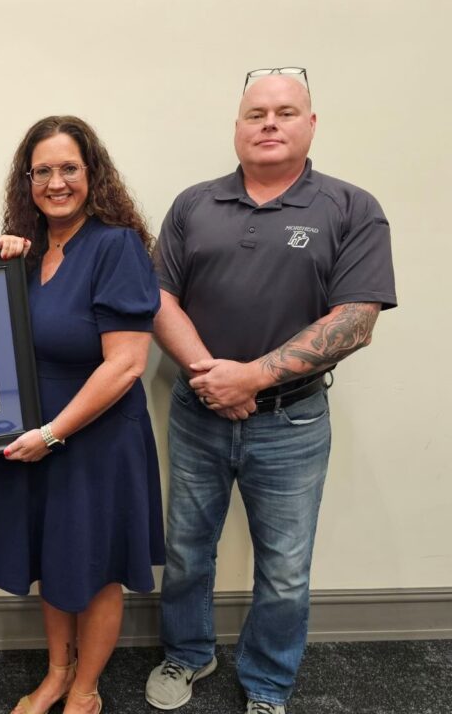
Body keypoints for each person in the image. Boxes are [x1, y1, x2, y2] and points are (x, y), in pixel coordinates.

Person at [145, 69, 397, 714]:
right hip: (197, 411)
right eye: (255, 113)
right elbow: (159, 297)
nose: (269, 124)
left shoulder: (351, 207)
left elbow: (356, 318)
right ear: (237, 127)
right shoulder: (194, 204)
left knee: (284, 570)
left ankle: (267, 684)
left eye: (285, 112)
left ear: (311, 124)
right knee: (185, 549)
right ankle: (188, 653)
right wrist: (212, 377)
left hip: (292, 422)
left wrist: (251, 377)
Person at [0, 116, 165, 714]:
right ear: (26, 180)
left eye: (69, 169)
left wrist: (53, 435)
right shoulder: (26, 250)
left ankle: (85, 691)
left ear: (92, 174)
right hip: (32, 428)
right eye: (42, 171)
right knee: (51, 556)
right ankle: (57, 674)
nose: (55, 182)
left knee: (96, 564)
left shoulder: (117, 246)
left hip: (95, 434)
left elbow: (127, 364)